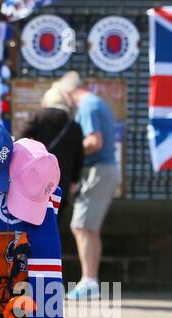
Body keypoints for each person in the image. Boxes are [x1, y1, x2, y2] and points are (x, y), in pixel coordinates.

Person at [63, 73, 121, 300]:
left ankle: (89, 281)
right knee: (89, 228)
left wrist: (73, 154)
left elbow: (94, 141)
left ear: (69, 93)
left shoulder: (87, 106)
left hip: (99, 170)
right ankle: (90, 281)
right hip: (104, 170)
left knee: (81, 226)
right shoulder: (97, 103)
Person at [18, 84, 84, 234]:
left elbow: (20, 142)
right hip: (61, 181)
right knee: (54, 224)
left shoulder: (37, 116)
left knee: (31, 222)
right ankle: (51, 254)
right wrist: (73, 181)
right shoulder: (74, 125)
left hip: (36, 180)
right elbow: (79, 158)